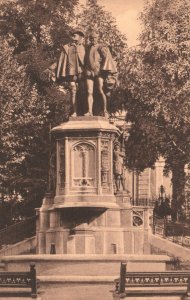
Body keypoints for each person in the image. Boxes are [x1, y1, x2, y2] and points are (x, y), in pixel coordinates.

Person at [48, 28, 85, 117]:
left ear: (80, 37)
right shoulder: (67, 47)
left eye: (75, 35)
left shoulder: (84, 47)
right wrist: (51, 68)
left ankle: (85, 111)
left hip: (82, 72)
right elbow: (60, 60)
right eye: (73, 35)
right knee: (73, 90)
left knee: (84, 91)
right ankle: (74, 111)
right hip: (71, 72)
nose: (73, 37)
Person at [84, 31, 117, 117]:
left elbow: (107, 59)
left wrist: (105, 69)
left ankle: (105, 111)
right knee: (89, 91)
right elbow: (85, 60)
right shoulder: (87, 48)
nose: (93, 39)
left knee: (100, 90)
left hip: (99, 72)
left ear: (97, 38)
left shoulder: (101, 47)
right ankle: (90, 111)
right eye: (91, 38)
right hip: (89, 72)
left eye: (95, 38)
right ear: (89, 39)